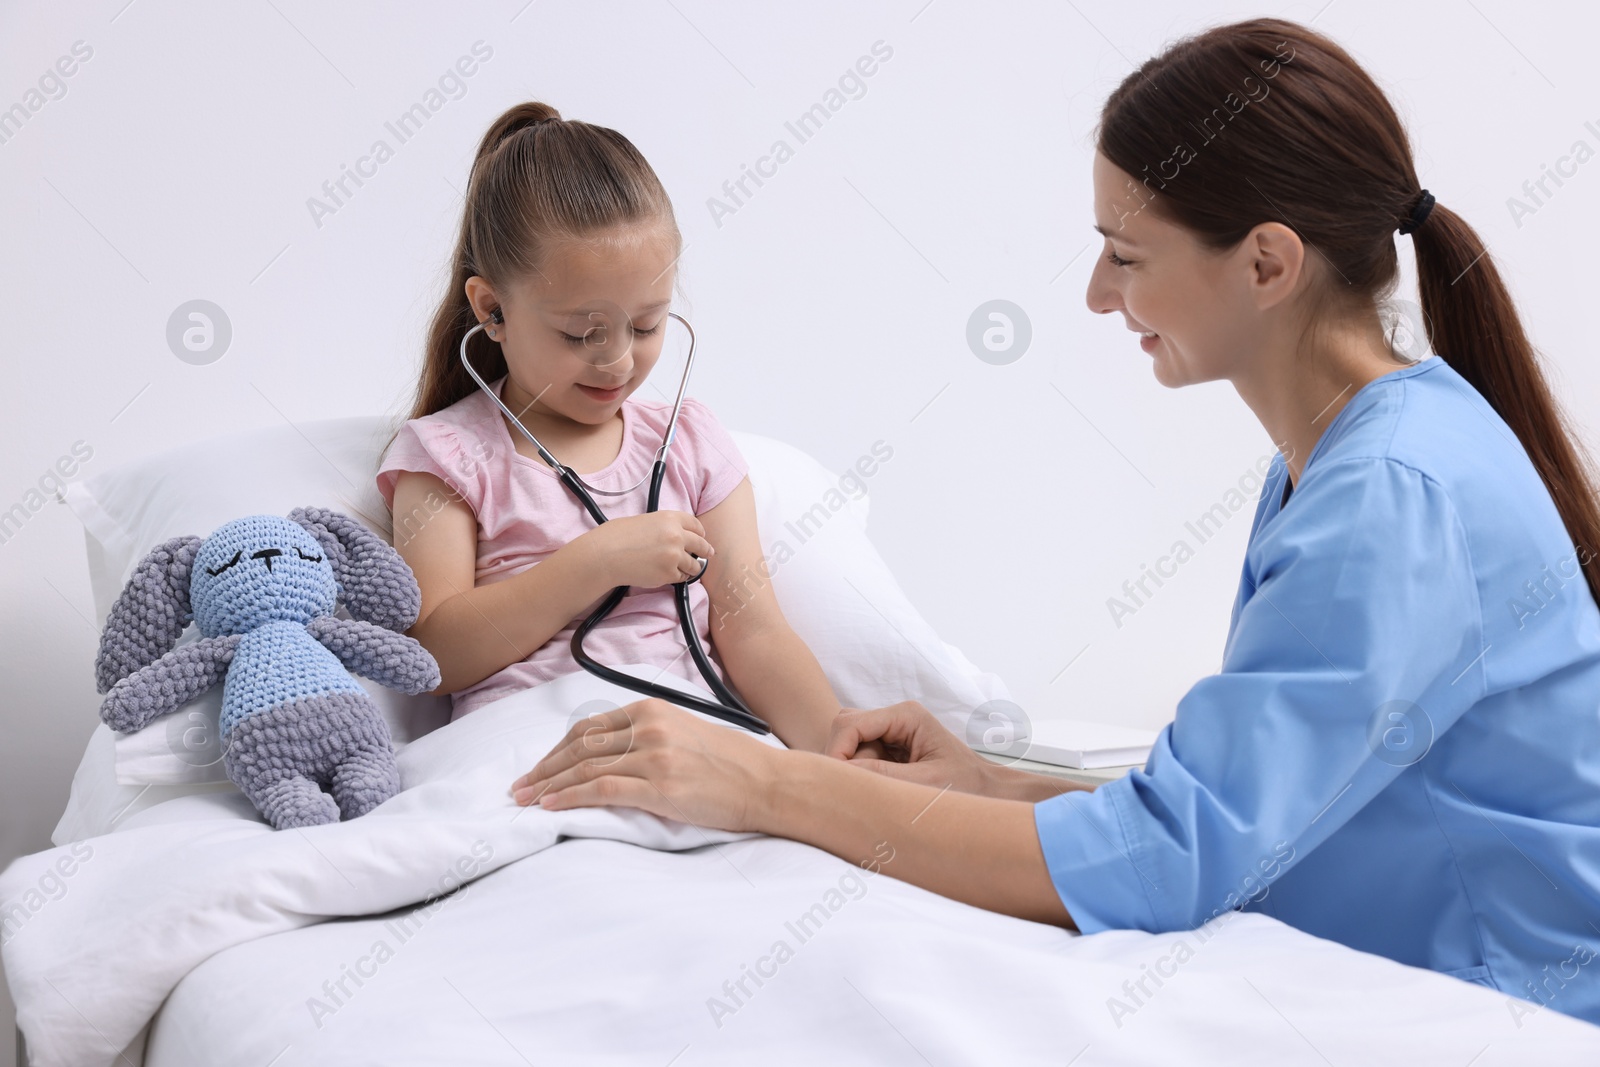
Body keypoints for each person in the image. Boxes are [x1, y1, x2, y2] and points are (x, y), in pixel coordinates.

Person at [509, 18, 1600, 1027]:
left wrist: (762, 781)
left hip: (1511, 995)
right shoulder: (1358, 452)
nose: (1093, 293)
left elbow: (1170, 859)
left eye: (1125, 256)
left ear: (1266, 262)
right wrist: (992, 781)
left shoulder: (1389, 494)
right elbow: (1253, 807)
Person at [378, 101, 848, 753]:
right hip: (528, 747)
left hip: (690, 745)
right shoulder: (447, 455)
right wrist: (594, 562)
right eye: (582, 332)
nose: (620, 359)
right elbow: (433, 656)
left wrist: (842, 755)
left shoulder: (689, 442)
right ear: (492, 310)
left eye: (648, 324)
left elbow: (755, 632)